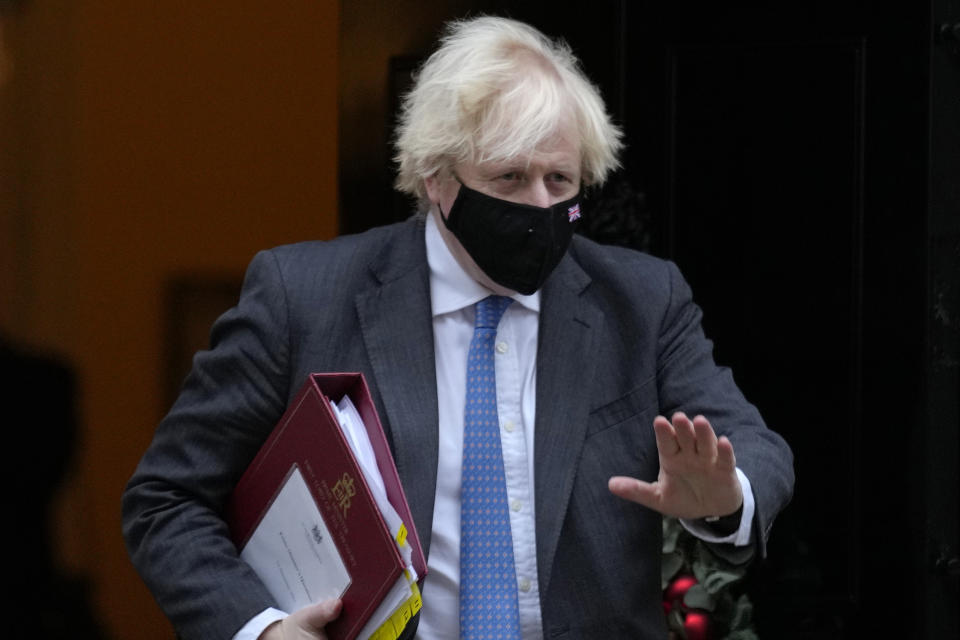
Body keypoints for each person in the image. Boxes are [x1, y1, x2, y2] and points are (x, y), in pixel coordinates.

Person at [123, 15, 794, 640]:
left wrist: (724, 496)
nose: (540, 206)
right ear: (435, 177)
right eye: (510, 178)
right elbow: (166, 501)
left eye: (560, 180)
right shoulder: (303, 298)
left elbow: (758, 449)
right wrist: (263, 629)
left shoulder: (641, 302)